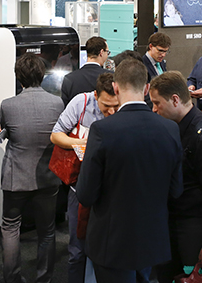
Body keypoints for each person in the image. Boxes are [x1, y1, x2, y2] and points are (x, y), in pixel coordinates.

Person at [76, 59, 183, 283]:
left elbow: (86, 194)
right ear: (146, 88)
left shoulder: (102, 130)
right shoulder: (170, 129)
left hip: (112, 242)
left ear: (115, 87)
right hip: (152, 240)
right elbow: (176, 190)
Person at [149, 72, 202, 280]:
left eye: (157, 103)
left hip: (196, 231)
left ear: (175, 100)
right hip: (179, 226)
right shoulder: (179, 129)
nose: (154, 109)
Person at [0, 53, 65, 283]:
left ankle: (12, 279)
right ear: (42, 75)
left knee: (10, 228)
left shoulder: (8, 105)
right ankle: (44, 278)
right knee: (47, 231)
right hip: (47, 176)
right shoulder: (57, 103)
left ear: (19, 77)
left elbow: (6, 130)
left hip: (15, 176)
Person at [51, 73, 118, 283]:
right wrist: (82, 144)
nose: (111, 112)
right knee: (77, 248)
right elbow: (56, 134)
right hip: (79, 187)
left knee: (108, 248)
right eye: (106, 106)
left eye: (115, 106)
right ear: (96, 95)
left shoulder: (123, 108)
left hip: (110, 190)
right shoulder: (81, 103)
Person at [61, 36, 109, 106]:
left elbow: (65, 107)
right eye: (107, 52)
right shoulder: (110, 77)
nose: (107, 55)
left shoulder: (69, 79)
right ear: (101, 52)